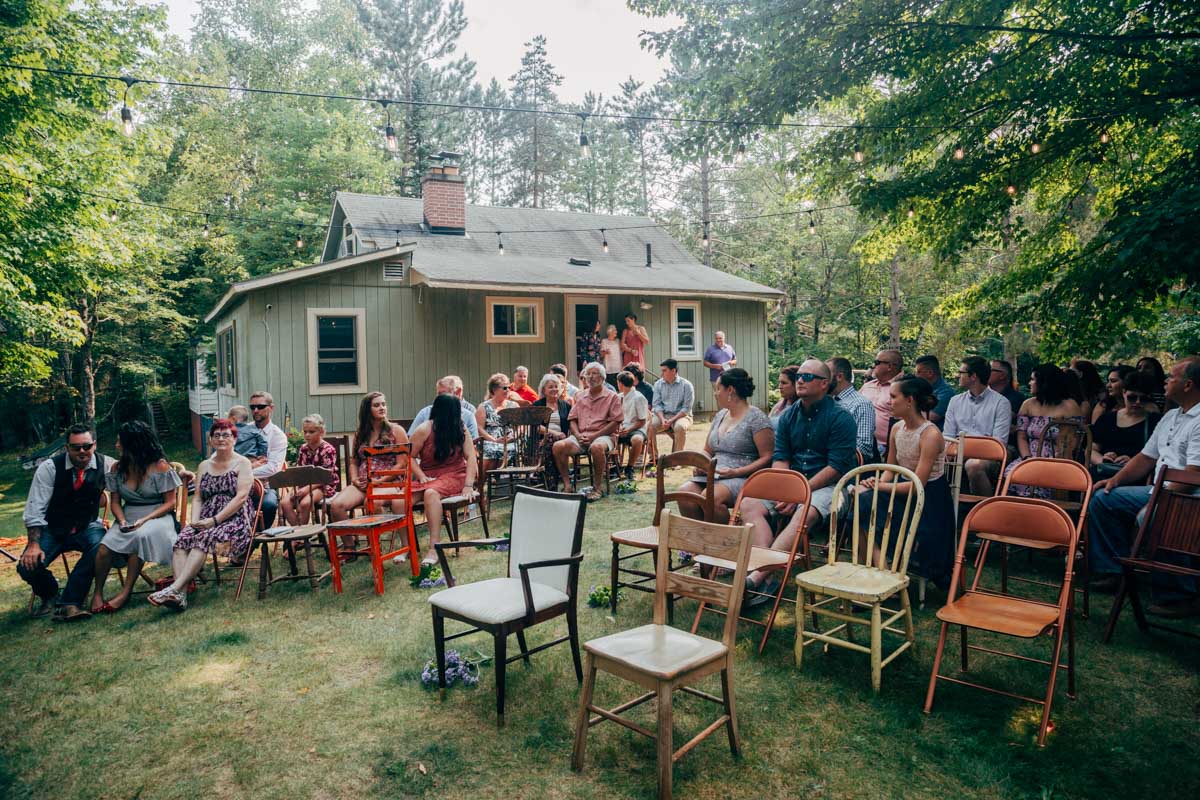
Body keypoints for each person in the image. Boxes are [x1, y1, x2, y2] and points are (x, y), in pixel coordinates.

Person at [1089, 357, 1200, 618]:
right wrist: (1115, 481)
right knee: (1104, 499)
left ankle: (1181, 594)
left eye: (1171, 377)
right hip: (1159, 491)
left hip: (1188, 498)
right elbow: (1146, 457)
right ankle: (1113, 570)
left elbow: (1194, 474)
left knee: (1156, 516)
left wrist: (1160, 500)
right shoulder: (1171, 415)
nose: (1165, 381)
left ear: (1188, 385)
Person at [740, 359, 856, 603]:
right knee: (749, 504)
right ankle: (768, 574)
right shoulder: (788, 415)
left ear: (824, 384)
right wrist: (787, 490)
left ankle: (757, 577)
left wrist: (799, 493)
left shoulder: (841, 418)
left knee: (806, 512)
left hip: (829, 486)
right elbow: (781, 457)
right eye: (799, 375)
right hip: (792, 482)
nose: (800, 380)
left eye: (808, 377)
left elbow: (835, 468)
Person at [856, 377, 955, 589]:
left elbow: (916, 486)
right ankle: (877, 571)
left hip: (928, 499)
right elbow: (890, 470)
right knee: (859, 500)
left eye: (893, 397)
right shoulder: (897, 428)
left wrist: (877, 487)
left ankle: (879, 575)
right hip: (900, 490)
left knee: (863, 502)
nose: (888, 401)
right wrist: (877, 481)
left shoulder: (930, 434)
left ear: (909, 400)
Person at [148, 419, 253, 611]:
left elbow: (241, 498)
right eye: (217, 435)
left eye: (226, 435)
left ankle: (174, 589)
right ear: (211, 439)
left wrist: (214, 521)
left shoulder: (243, 463)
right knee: (182, 540)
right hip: (205, 519)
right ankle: (180, 595)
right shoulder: (204, 465)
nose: (221, 439)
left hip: (234, 519)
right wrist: (194, 521)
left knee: (203, 538)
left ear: (234, 440)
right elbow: (197, 498)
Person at [18, 424, 112, 621]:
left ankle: (71, 602)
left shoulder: (107, 464)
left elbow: (136, 473)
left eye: (86, 446)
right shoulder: (49, 468)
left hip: (87, 526)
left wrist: (174, 474)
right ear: (67, 447)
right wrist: (33, 544)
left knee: (101, 546)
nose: (82, 451)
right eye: (75, 447)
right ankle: (51, 594)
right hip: (53, 529)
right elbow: (35, 509)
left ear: (94, 445)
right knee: (27, 566)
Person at [90, 421, 182, 614]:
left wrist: (145, 519)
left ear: (133, 444)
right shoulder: (117, 468)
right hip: (129, 515)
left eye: (120, 442)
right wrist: (122, 520)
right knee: (104, 548)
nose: (116, 445)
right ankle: (97, 593)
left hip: (158, 516)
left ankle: (126, 592)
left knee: (140, 536)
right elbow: (115, 501)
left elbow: (170, 503)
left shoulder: (160, 466)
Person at [677, 369, 773, 524]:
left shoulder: (756, 418)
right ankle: (701, 542)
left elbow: (768, 457)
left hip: (743, 477)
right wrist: (702, 463)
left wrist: (736, 471)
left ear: (730, 390)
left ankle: (725, 542)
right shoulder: (720, 415)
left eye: (718, 389)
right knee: (684, 493)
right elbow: (707, 450)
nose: (715, 393)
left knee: (709, 497)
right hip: (713, 474)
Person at [409, 394, 479, 565]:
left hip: (455, 474)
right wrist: (420, 475)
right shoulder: (424, 429)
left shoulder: (460, 428)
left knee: (431, 493)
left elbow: (471, 457)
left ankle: (434, 548)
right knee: (402, 500)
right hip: (430, 475)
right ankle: (406, 548)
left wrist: (469, 485)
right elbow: (408, 457)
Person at [1003, 365, 1085, 498]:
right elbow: (1022, 436)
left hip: (1058, 459)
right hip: (1029, 456)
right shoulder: (1028, 404)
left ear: (1045, 382)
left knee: (1040, 477)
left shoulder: (1069, 406)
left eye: (1033, 379)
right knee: (1012, 472)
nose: (1029, 383)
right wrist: (1027, 458)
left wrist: (1049, 462)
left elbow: (1073, 442)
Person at [330, 392, 410, 523]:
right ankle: (349, 543)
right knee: (336, 506)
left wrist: (379, 480)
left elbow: (402, 464)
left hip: (388, 482)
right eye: (376, 405)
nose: (382, 407)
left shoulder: (396, 431)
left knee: (372, 501)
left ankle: (376, 541)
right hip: (363, 484)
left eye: (384, 404)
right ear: (367, 409)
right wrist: (355, 479)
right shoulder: (360, 433)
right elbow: (354, 462)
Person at [944, 356, 1013, 497]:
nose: (958, 375)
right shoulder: (955, 401)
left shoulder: (1001, 403)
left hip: (988, 456)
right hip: (958, 451)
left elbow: (998, 444)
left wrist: (963, 449)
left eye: (961, 372)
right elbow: (948, 437)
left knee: (973, 465)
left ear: (973, 376)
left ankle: (984, 510)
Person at [553, 362, 623, 501]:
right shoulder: (579, 396)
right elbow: (572, 419)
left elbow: (615, 422)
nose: (590, 377)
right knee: (558, 446)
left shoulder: (612, 396)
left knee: (597, 447)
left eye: (594, 373)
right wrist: (578, 435)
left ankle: (597, 488)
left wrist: (594, 436)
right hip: (581, 436)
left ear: (603, 378)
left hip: (603, 435)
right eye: (588, 374)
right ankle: (568, 486)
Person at [1090, 372, 1162, 479]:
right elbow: (1092, 450)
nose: (1137, 402)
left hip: (1135, 476)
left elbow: (1158, 456)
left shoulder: (1156, 422)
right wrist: (1103, 460)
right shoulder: (1107, 419)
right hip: (1104, 471)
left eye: (1143, 399)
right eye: (1132, 397)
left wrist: (1133, 462)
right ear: (1123, 393)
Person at [279, 414, 340, 526]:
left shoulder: (327, 450)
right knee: (285, 502)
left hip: (323, 485)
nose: (307, 435)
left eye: (311, 432)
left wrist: (307, 489)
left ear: (321, 432)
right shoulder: (303, 448)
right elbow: (300, 471)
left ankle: (300, 537)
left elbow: (325, 476)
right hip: (304, 484)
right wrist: (297, 488)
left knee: (305, 503)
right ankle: (298, 532)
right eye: (305, 431)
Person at [475, 374, 518, 507]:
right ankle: (481, 489)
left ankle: (486, 482)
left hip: (510, 441)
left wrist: (514, 436)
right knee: (491, 450)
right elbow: (479, 428)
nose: (507, 390)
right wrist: (493, 439)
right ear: (494, 390)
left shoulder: (513, 405)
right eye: (504, 388)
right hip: (491, 440)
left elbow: (521, 426)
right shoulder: (484, 407)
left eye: (509, 387)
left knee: (503, 451)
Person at [827, 357, 878, 463]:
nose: (823, 380)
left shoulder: (861, 404)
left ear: (839, 377)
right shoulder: (827, 401)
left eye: (827, 376)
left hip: (846, 469)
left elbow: (864, 448)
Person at [247, 391, 286, 528]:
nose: (256, 410)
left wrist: (244, 474)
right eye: (252, 407)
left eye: (260, 406)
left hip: (267, 485)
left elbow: (273, 468)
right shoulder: (245, 430)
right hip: (240, 485)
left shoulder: (277, 436)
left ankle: (253, 541)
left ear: (271, 408)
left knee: (268, 504)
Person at [860, 349, 903, 457]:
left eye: (877, 363)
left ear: (889, 366)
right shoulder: (868, 385)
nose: (873, 366)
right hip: (859, 442)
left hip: (886, 448)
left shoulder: (903, 388)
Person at [533, 373, 572, 489]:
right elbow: (536, 426)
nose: (554, 389)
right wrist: (555, 434)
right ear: (544, 390)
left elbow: (571, 424)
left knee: (552, 443)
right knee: (549, 440)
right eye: (550, 387)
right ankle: (556, 482)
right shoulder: (538, 405)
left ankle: (550, 482)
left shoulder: (565, 405)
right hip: (540, 441)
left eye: (556, 386)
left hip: (563, 440)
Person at [408, 376, 479, 439]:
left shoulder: (468, 415)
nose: (439, 398)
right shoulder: (425, 413)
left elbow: (474, 443)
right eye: (438, 394)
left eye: (444, 394)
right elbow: (411, 438)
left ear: (457, 393)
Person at [651, 358, 695, 455]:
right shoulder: (658, 384)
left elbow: (686, 409)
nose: (661, 374)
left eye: (664, 371)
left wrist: (671, 420)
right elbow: (657, 404)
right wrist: (662, 419)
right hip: (663, 415)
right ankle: (653, 458)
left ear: (673, 371)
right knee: (650, 426)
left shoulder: (687, 385)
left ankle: (678, 459)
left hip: (682, 416)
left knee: (680, 427)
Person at [615, 371, 650, 480]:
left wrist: (629, 429)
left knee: (637, 440)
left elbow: (642, 421)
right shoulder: (618, 397)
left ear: (620, 383)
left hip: (636, 428)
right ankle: (614, 466)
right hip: (621, 427)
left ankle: (629, 467)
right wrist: (618, 427)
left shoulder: (638, 398)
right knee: (608, 436)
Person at [914, 355, 955, 428]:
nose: (916, 376)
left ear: (930, 373)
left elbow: (932, 417)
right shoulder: (923, 389)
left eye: (918, 372)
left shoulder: (946, 392)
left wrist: (908, 411)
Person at [988, 359, 1026, 430]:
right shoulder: (983, 396)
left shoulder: (1016, 398)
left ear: (1002, 375)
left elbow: (1001, 420)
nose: (986, 372)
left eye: (990, 370)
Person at [702, 330, 737, 395]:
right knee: (719, 397)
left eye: (720, 338)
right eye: (716, 338)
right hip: (716, 378)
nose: (718, 340)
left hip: (729, 377)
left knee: (730, 397)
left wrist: (730, 362)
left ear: (724, 338)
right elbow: (705, 363)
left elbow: (735, 360)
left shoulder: (729, 347)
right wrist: (715, 366)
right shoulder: (710, 349)